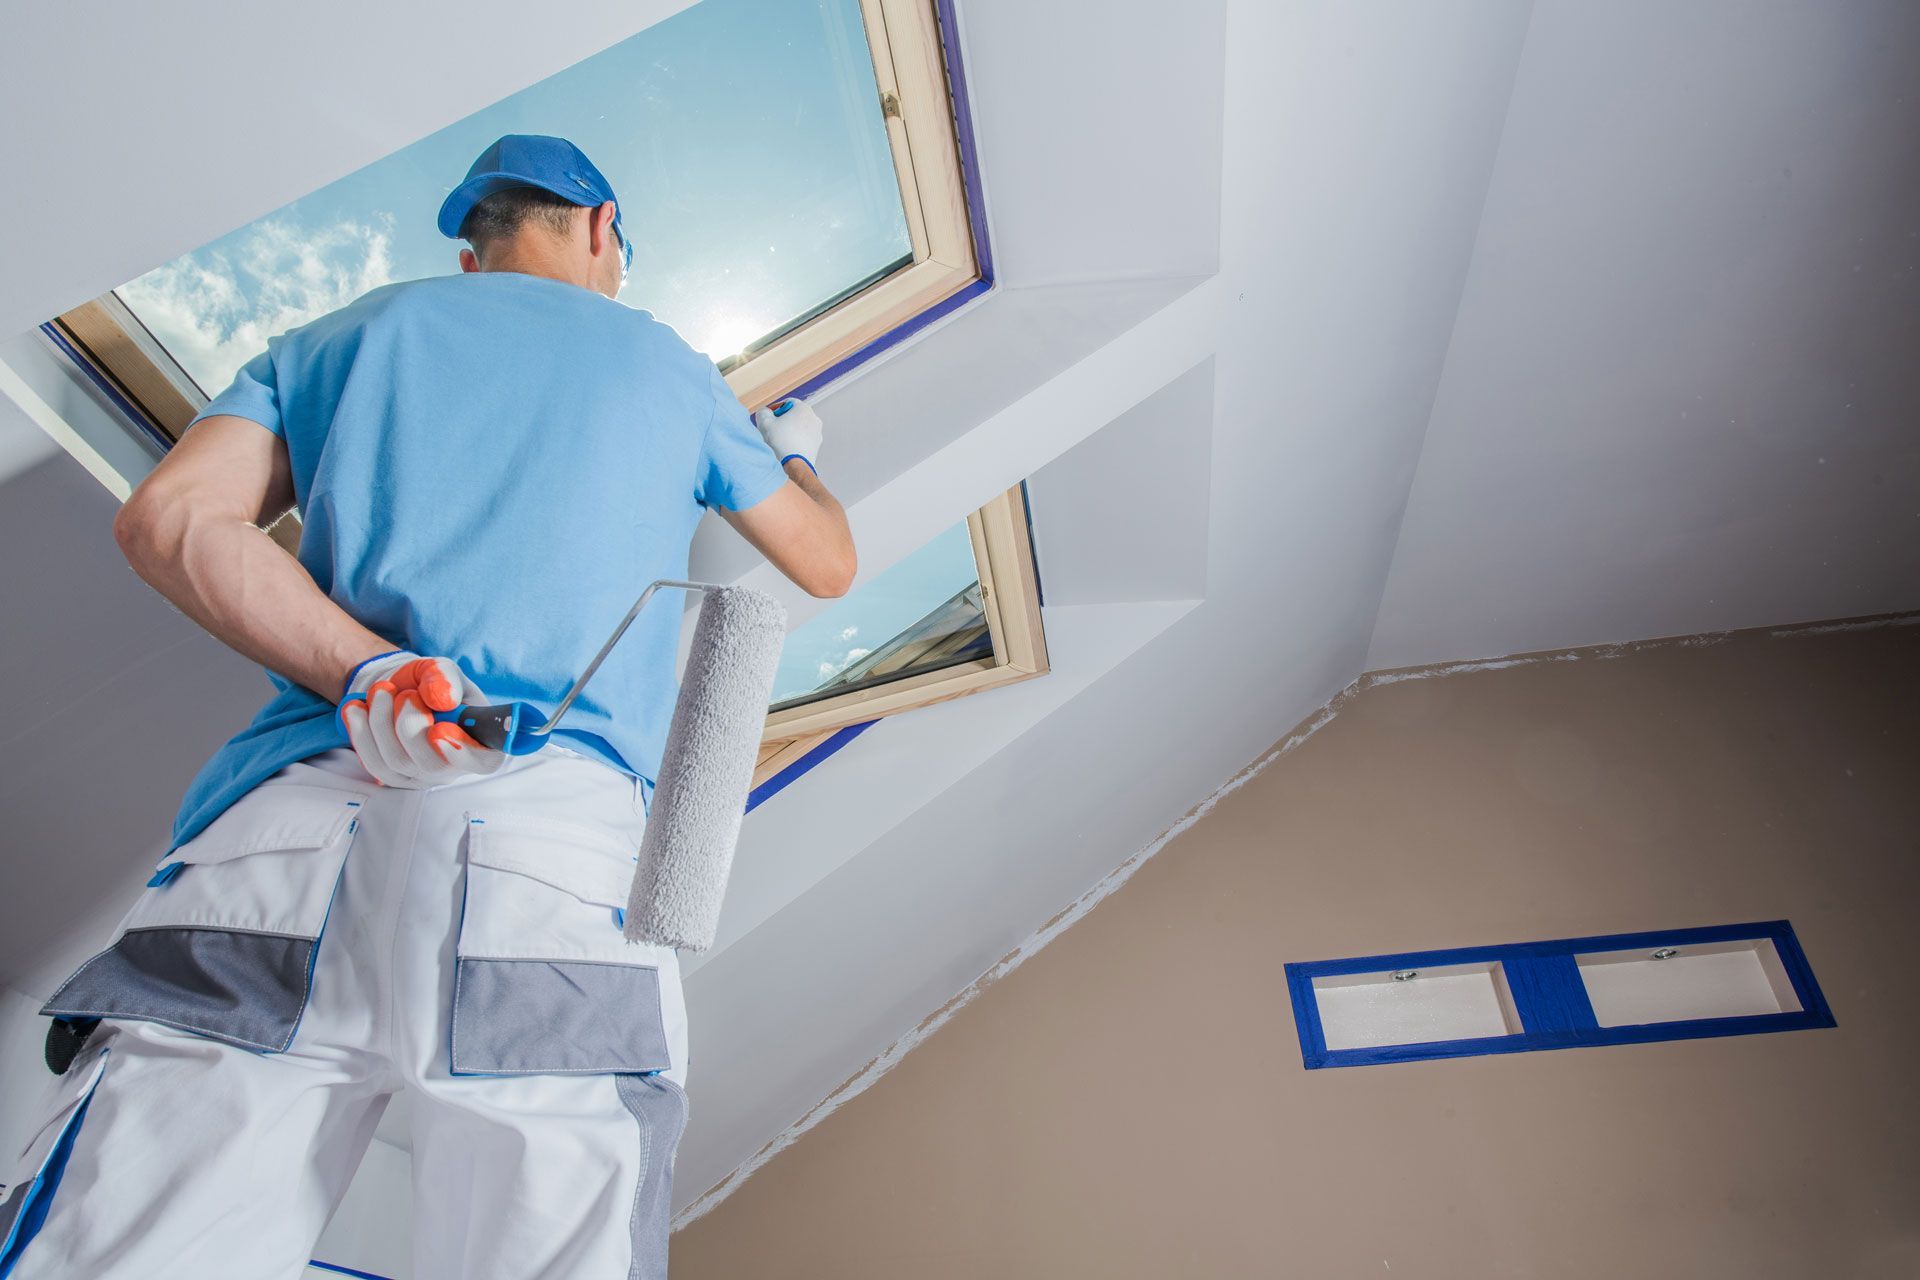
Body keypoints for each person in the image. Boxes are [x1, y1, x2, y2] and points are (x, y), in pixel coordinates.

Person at [0, 133, 855, 1279]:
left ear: (475, 243)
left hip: (290, 841)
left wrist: (366, 668)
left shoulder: (335, 340)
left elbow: (168, 522)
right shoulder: (668, 368)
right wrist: (793, 456)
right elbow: (827, 563)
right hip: (550, 864)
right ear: (600, 226)